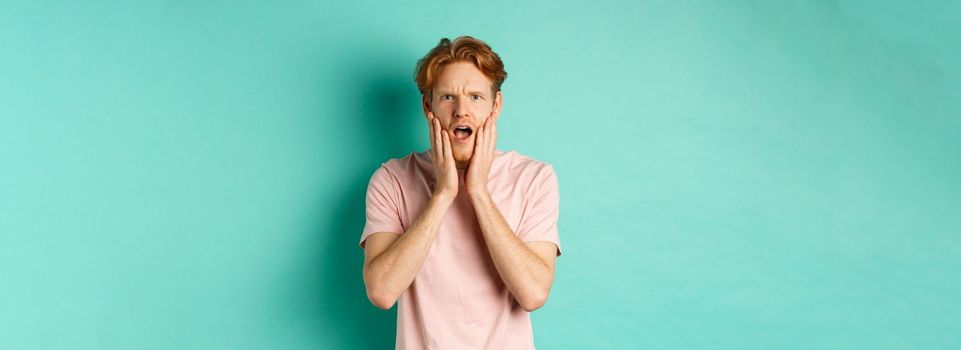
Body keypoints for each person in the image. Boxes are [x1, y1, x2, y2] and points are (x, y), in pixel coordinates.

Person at [359, 35, 563, 350]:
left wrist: (478, 191)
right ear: (428, 106)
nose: (461, 111)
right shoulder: (391, 180)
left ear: (496, 105)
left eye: (476, 97)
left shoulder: (534, 178)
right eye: (448, 97)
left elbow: (534, 293)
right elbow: (382, 292)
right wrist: (443, 193)